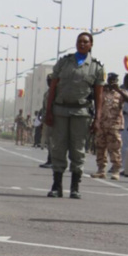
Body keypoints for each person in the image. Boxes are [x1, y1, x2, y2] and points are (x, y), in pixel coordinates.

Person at [45, 32, 104, 199]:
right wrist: (48, 111)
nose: (82, 44)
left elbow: (99, 96)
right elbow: (53, 89)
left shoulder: (96, 67)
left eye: (86, 42)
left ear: (91, 44)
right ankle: (57, 186)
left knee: (78, 150)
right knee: (58, 147)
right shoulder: (64, 63)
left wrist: (98, 118)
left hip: (81, 113)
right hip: (60, 111)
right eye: (79, 41)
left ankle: (75, 187)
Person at [90, 73, 128, 180]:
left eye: (114, 80)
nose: (112, 82)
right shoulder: (102, 91)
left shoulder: (122, 92)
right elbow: (92, 97)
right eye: (110, 80)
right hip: (102, 124)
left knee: (115, 149)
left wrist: (118, 90)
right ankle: (101, 170)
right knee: (100, 147)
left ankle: (116, 170)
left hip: (114, 125)